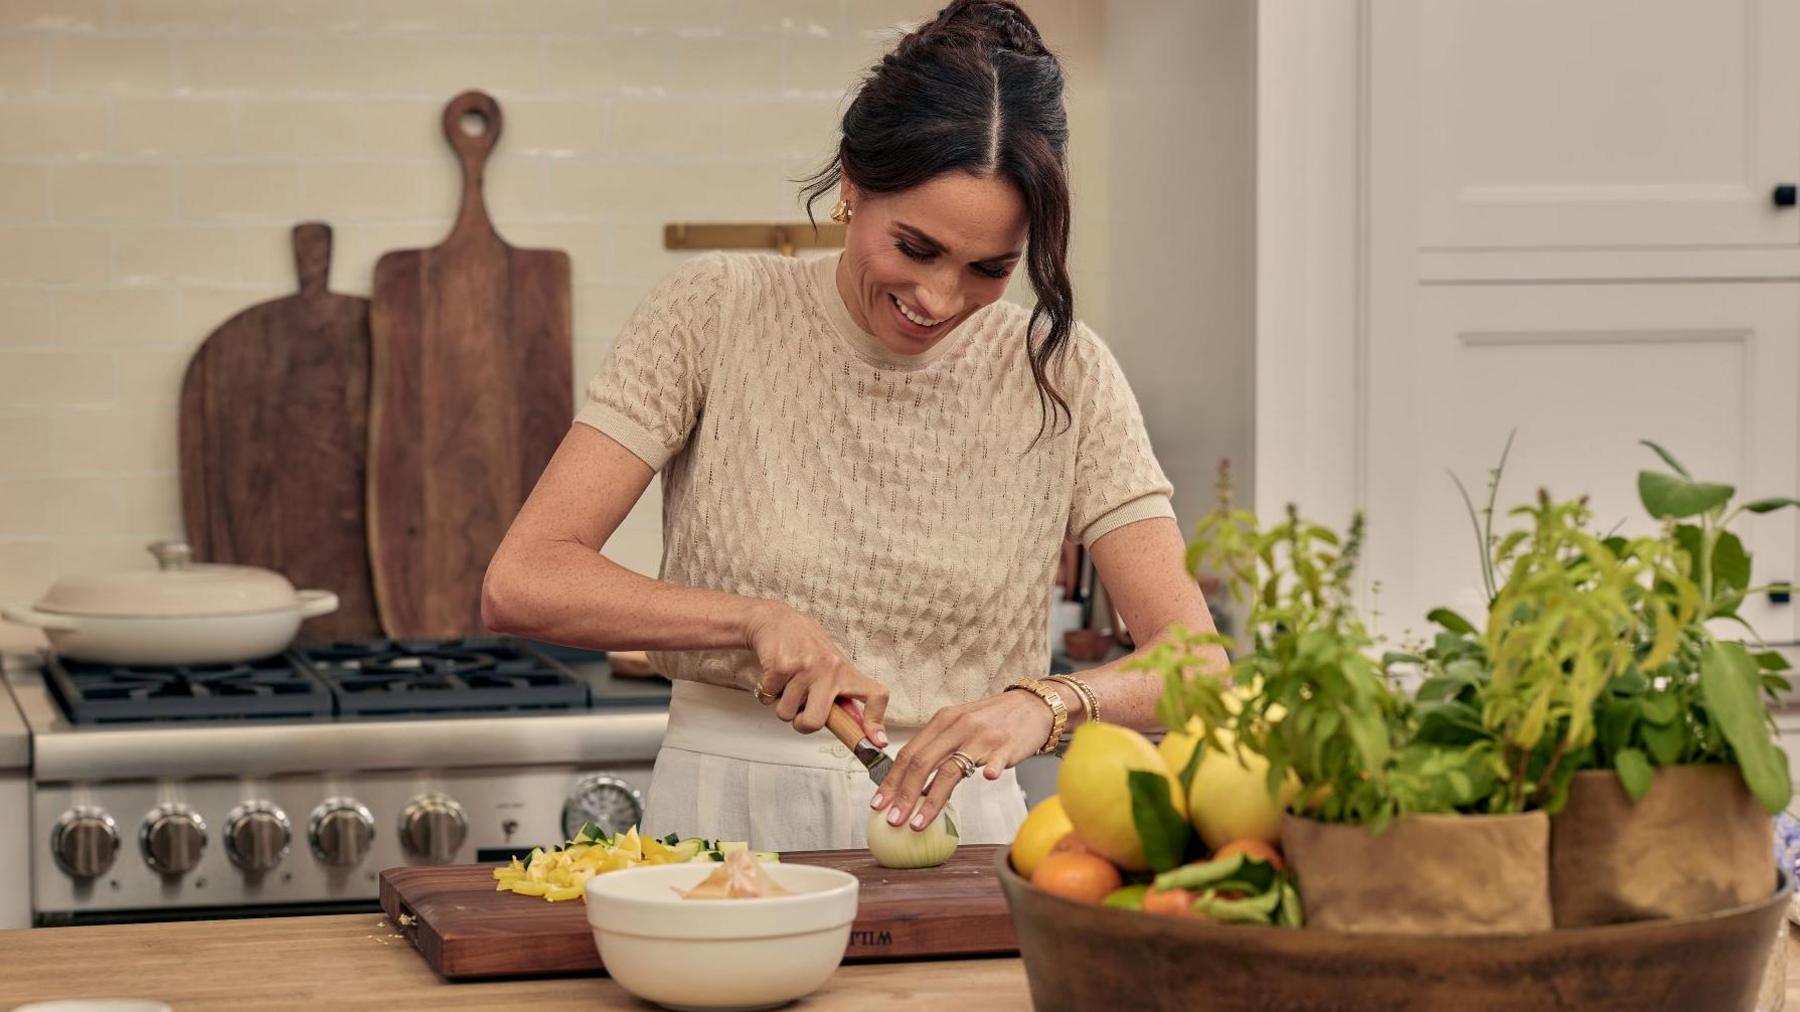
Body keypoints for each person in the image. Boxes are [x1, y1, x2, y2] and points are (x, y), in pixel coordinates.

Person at [483, 0, 1224, 851]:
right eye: (914, 249)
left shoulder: (1064, 372)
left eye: (990, 269)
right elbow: (525, 578)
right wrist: (750, 619)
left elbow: (1196, 668)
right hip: (726, 823)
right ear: (850, 184)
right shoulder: (716, 311)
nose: (939, 300)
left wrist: (1048, 703)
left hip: (968, 833)